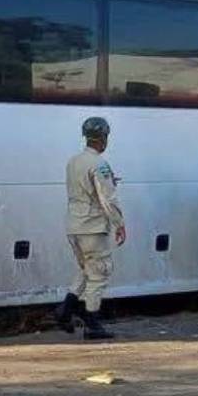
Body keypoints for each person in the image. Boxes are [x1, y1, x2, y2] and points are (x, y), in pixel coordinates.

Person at [54, 116, 126, 340]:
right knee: (99, 273)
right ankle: (92, 322)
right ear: (103, 138)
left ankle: (65, 309)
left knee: (86, 269)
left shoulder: (73, 161)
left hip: (73, 225)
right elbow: (107, 198)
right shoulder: (99, 164)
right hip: (92, 227)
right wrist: (119, 224)